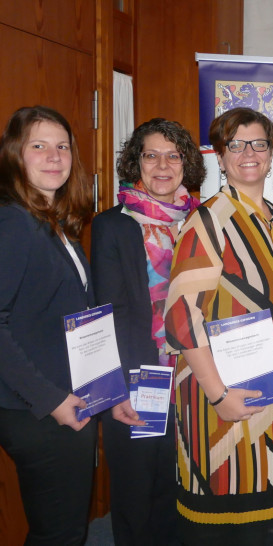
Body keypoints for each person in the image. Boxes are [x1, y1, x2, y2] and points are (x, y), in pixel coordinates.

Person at [164, 107, 273, 545]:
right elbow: (182, 317)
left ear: (272, 152)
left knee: (271, 520)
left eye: (258, 143)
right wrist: (217, 394)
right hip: (224, 395)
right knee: (230, 523)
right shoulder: (207, 221)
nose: (248, 153)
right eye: (235, 144)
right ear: (220, 157)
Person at [91, 118, 204, 545]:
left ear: (186, 163)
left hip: (195, 376)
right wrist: (113, 389)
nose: (162, 165)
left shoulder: (201, 220)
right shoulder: (113, 225)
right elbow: (105, 311)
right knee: (137, 492)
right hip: (138, 379)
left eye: (173, 155)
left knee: (182, 486)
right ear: (135, 162)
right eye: (151, 154)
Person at [0, 105, 95, 544]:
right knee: (59, 533)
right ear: (15, 154)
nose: (54, 156)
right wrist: (52, 400)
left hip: (62, 397)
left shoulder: (53, 221)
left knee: (62, 528)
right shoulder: (13, 221)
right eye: (38, 146)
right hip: (39, 409)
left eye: (62, 147)